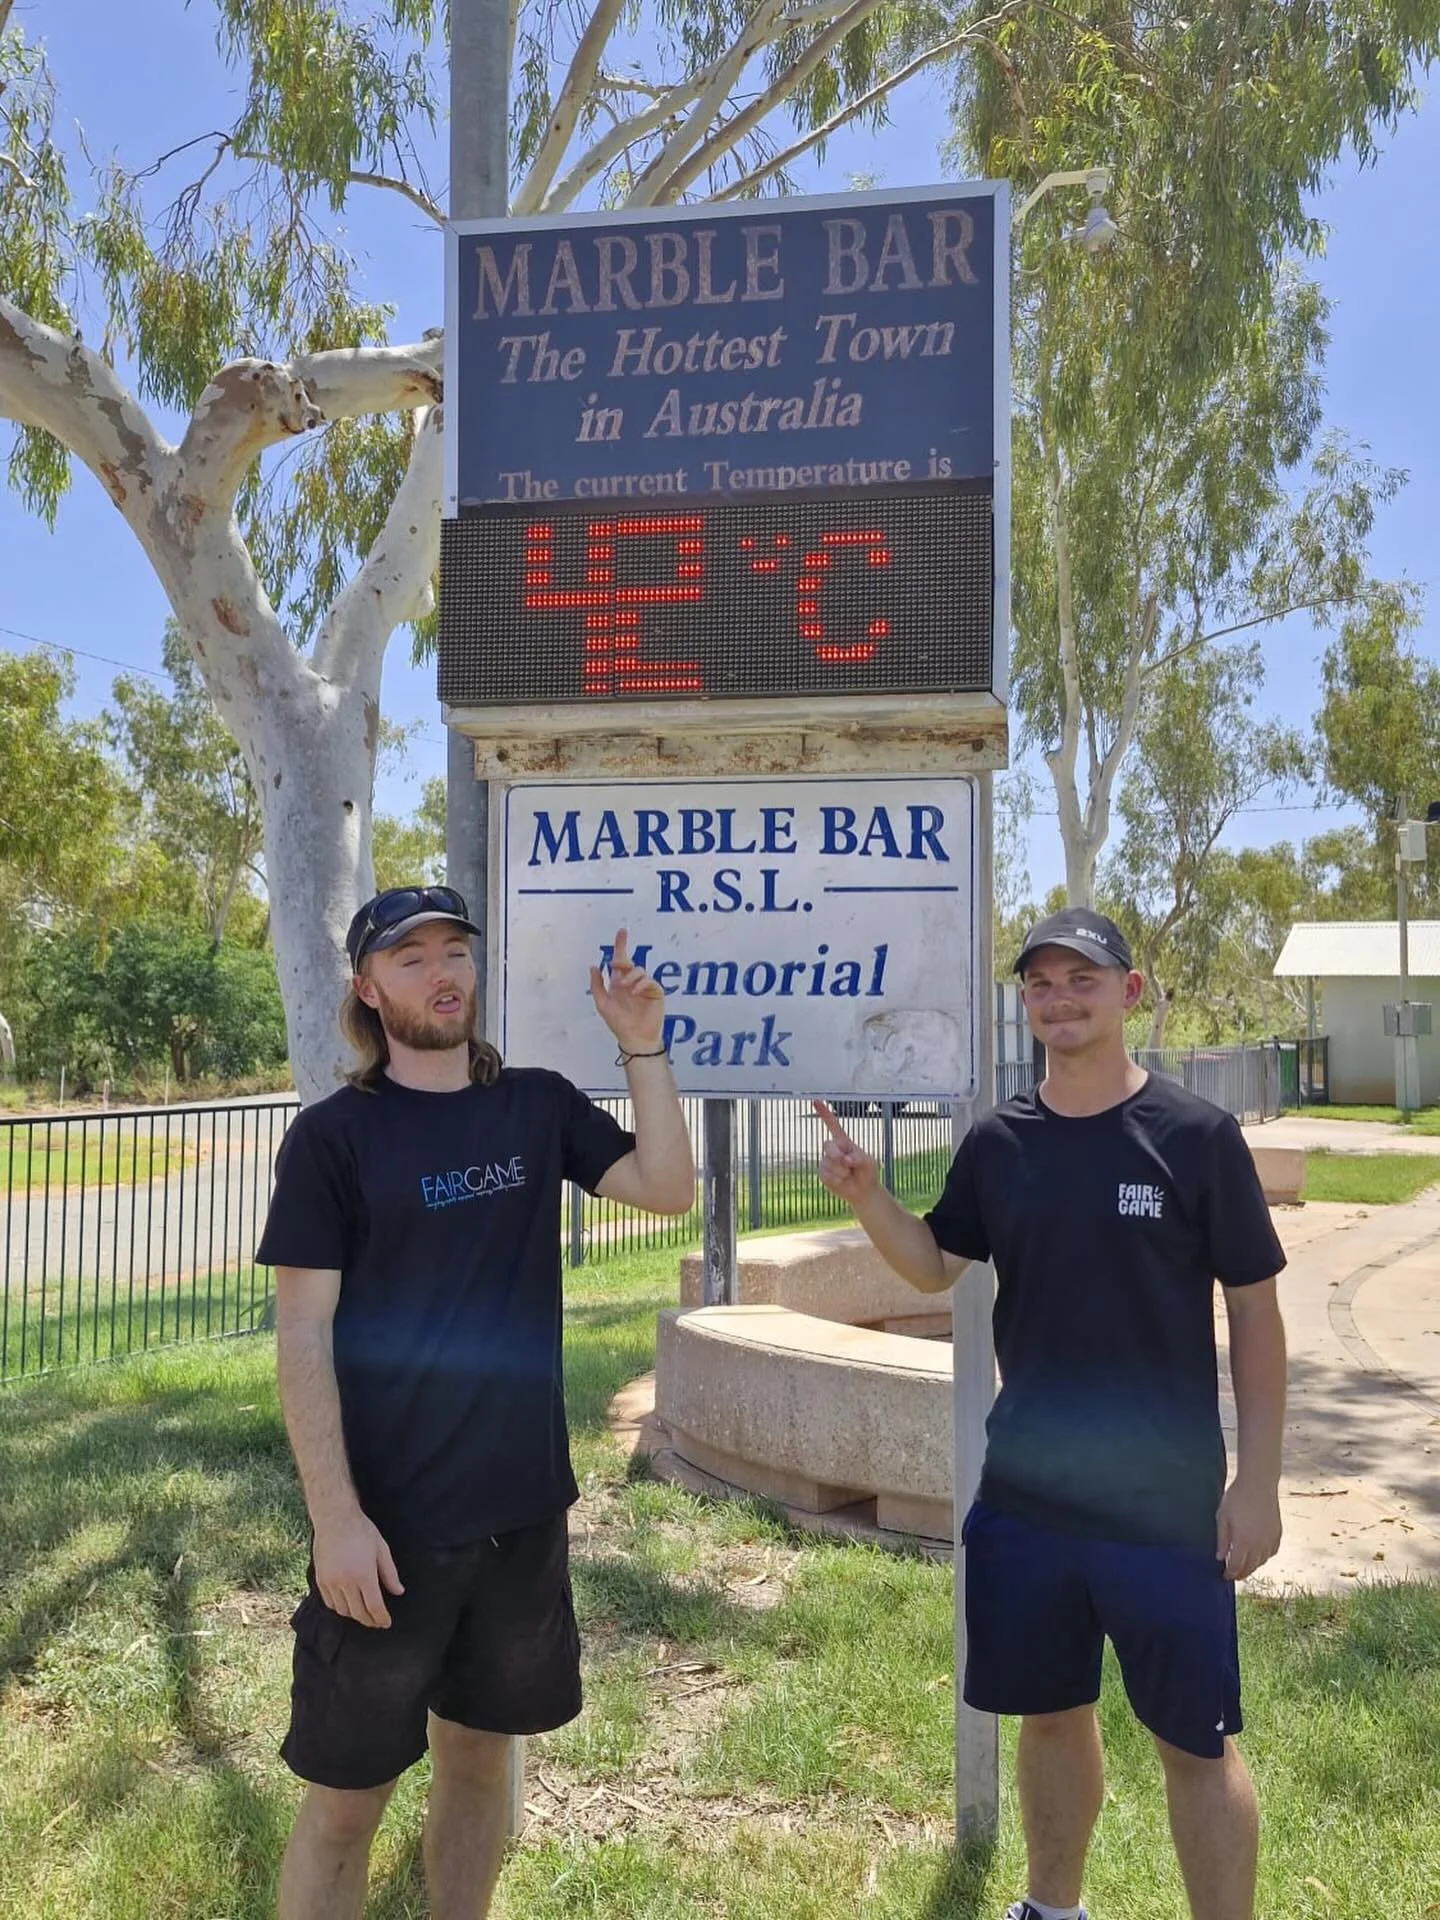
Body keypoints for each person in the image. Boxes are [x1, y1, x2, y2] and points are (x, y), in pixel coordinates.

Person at [815, 906, 1288, 1920]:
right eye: (1041, 983)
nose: (1061, 998)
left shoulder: (1197, 1139)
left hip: (1166, 1508)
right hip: (1026, 1496)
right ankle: (1052, 1908)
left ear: (1130, 993)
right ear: (1022, 1003)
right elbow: (936, 1262)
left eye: (1084, 979)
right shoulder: (1000, 1142)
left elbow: (1255, 1313)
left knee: (1194, 1742)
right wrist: (869, 1198)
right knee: (1049, 1717)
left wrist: (1258, 1483)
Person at [255, 885, 695, 1920]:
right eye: (410, 959)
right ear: (367, 989)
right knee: (344, 1808)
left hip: (520, 1521)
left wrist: (643, 1044)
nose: (441, 972)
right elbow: (302, 1333)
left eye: (454, 951)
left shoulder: (533, 1106)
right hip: (387, 1537)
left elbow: (668, 1188)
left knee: (477, 1762)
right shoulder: (332, 1141)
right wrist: (336, 1520)